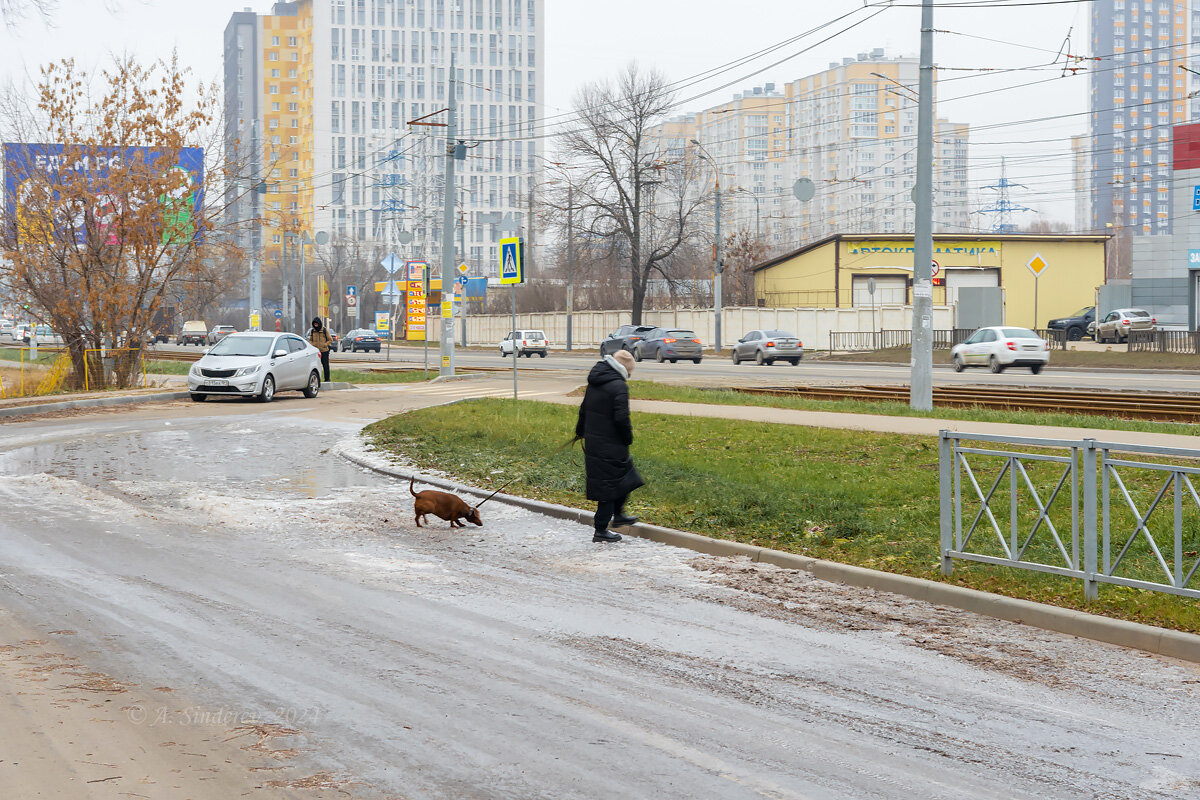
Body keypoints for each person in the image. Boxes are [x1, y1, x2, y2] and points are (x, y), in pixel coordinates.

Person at [575, 349, 643, 543]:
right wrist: (627, 438)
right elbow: (622, 417)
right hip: (610, 443)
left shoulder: (596, 381)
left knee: (627, 476)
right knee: (609, 486)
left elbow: (583, 409)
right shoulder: (618, 385)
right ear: (626, 369)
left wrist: (580, 431)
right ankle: (601, 530)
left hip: (596, 441)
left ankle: (619, 514)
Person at [308, 316, 332, 382]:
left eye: (317, 324)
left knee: (325, 366)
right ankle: (316, 380)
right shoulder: (312, 331)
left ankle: (327, 379)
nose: (316, 325)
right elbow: (310, 340)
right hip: (316, 352)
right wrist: (312, 345)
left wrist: (325, 345)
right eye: (314, 324)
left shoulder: (324, 330)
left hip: (324, 351)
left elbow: (330, 340)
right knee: (316, 366)